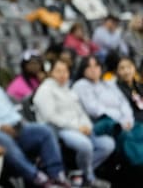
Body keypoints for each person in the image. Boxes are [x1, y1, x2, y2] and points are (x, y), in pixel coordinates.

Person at [33, 58, 114, 188]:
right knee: (85, 145)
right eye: (58, 71)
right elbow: (51, 116)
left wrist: (87, 125)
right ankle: (89, 178)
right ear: (51, 73)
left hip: (80, 128)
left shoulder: (68, 90)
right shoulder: (45, 90)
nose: (62, 74)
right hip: (60, 129)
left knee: (107, 144)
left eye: (65, 71)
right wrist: (77, 127)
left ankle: (79, 173)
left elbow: (81, 111)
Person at [72, 56, 143, 168]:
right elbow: (94, 109)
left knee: (139, 129)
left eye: (96, 66)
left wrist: (127, 119)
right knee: (124, 134)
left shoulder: (108, 83)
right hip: (100, 123)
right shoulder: (81, 85)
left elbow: (123, 104)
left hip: (123, 120)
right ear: (83, 69)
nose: (93, 69)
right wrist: (120, 119)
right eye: (89, 67)